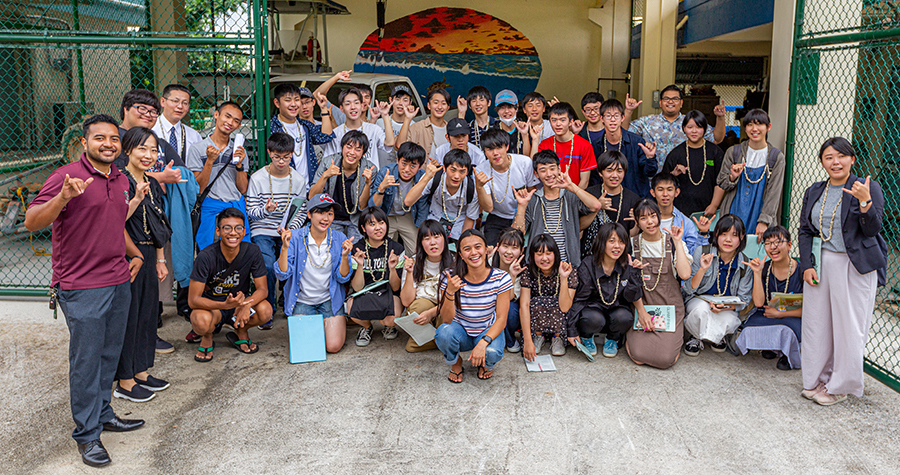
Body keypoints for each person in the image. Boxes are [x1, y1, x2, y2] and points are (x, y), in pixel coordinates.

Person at [25, 114, 146, 467]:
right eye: (99, 139)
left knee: (109, 355)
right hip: (81, 287)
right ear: (84, 143)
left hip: (117, 280)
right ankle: (87, 435)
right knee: (86, 362)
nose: (108, 144)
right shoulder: (67, 177)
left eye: (113, 138)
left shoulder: (121, 178)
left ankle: (104, 414)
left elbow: (112, 221)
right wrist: (62, 198)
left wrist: (133, 255)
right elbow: (33, 221)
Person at [798, 137, 887, 406]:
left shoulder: (867, 188)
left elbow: (873, 230)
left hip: (854, 265)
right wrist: (807, 265)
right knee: (817, 324)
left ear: (852, 159)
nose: (835, 162)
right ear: (822, 162)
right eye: (828, 157)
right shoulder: (815, 190)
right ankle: (816, 379)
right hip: (822, 263)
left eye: (841, 156)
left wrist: (865, 203)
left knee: (848, 327)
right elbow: (805, 229)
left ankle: (840, 386)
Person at [114, 127, 172, 404]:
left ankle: (142, 370)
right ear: (128, 150)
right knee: (129, 316)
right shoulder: (119, 181)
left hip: (150, 255)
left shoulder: (151, 181)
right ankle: (124, 380)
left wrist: (161, 259)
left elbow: (159, 224)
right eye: (142, 149)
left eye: (153, 149)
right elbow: (113, 222)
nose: (148, 155)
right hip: (128, 256)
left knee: (148, 315)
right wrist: (136, 199)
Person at [188, 208, 272, 362]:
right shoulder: (206, 256)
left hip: (239, 304)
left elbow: (263, 289)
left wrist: (247, 304)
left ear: (244, 231)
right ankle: (207, 336)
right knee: (201, 321)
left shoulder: (253, 251)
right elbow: (193, 300)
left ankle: (241, 329)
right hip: (213, 306)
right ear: (218, 231)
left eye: (238, 228)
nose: (233, 233)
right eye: (227, 228)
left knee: (265, 310)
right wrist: (225, 305)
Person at [275, 194, 354, 353]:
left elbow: (343, 277)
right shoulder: (295, 237)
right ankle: (315, 323)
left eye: (330, 213)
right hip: (302, 300)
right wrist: (284, 248)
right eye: (320, 212)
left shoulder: (339, 238)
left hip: (329, 300)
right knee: (306, 350)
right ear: (309, 214)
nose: (326, 218)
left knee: (333, 346)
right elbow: (282, 274)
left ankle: (325, 322)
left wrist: (345, 256)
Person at [246, 132, 307, 325]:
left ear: (292, 154)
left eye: (286, 157)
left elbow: (302, 211)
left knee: (292, 265)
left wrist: (291, 228)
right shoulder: (257, 178)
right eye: (277, 156)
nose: (281, 161)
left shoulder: (297, 179)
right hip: (262, 228)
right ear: (269, 153)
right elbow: (251, 211)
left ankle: (289, 304)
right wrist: (265, 209)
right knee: (268, 265)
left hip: (287, 230)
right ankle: (268, 307)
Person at [436, 229, 513, 382]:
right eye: (467, 249)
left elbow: (502, 319)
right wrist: (450, 292)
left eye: (478, 247)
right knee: (443, 334)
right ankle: (456, 363)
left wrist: (483, 342)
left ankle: (486, 363)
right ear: (460, 255)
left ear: (486, 250)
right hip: (460, 331)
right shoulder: (450, 276)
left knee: (492, 352)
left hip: (486, 329)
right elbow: (446, 319)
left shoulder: (501, 278)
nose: (473, 252)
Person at [625, 202, 693, 368]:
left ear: (659, 217)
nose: (649, 222)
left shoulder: (673, 243)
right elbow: (629, 284)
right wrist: (641, 312)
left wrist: (678, 242)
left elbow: (684, 274)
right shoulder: (632, 244)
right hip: (642, 305)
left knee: (665, 360)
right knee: (638, 356)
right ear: (637, 221)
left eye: (653, 216)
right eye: (643, 218)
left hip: (670, 308)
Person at [513, 150, 604, 268]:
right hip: (538, 265)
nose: (549, 174)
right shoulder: (533, 199)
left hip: (567, 264)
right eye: (543, 170)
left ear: (559, 169)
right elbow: (516, 233)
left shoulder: (570, 196)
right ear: (536, 174)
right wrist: (521, 205)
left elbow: (596, 206)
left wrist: (571, 186)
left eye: (552, 168)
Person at [568, 223, 645, 358]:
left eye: (621, 242)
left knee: (625, 317)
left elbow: (630, 296)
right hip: (593, 310)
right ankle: (587, 337)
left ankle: (612, 339)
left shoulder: (629, 263)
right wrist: (572, 330)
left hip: (617, 309)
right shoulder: (588, 264)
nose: (617, 246)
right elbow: (579, 300)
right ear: (602, 242)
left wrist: (633, 273)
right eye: (611, 241)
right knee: (593, 319)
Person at [683, 214, 753, 356]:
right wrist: (703, 269)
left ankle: (713, 336)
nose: (728, 240)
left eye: (734, 235)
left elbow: (744, 300)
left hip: (726, 305)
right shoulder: (702, 252)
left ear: (741, 237)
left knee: (730, 319)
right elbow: (689, 288)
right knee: (700, 311)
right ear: (716, 234)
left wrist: (726, 306)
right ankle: (697, 337)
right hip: (699, 300)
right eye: (724, 234)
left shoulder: (745, 263)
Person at [736, 225, 803, 371]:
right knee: (748, 329)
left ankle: (787, 354)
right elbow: (759, 303)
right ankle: (771, 346)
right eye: (767, 243)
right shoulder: (764, 268)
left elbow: (811, 309)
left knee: (788, 331)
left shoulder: (802, 271)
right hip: (767, 313)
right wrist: (757, 273)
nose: (773, 247)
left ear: (789, 245)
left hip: (794, 316)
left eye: (778, 242)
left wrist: (781, 314)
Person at [186, 101, 250, 250]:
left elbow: (242, 188)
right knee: (208, 254)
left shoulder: (239, 151)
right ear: (216, 115)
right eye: (227, 116)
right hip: (210, 207)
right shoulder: (198, 149)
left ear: (239, 126)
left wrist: (239, 166)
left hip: (235, 206)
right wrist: (209, 161)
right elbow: (198, 188)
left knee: (239, 253)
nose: (230, 123)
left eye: (236, 121)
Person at [716, 109, 785, 235]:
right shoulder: (734, 152)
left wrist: (764, 221)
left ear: (768, 127)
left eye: (759, 124)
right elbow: (721, 182)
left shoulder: (776, 157)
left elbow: (774, 192)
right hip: (733, 211)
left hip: (759, 214)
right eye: (750, 125)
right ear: (745, 128)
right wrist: (733, 177)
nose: (754, 129)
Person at [622, 85, 725, 168]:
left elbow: (716, 139)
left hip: (684, 180)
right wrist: (628, 111)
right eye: (666, 99)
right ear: (660, 103)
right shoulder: (647, 122)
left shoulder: (690, 122)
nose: (670, 102)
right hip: (653, 180)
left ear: (681, 103)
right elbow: (624, 133)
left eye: (675, 99)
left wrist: (720, 117)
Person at [347, 207, 405, 346]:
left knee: (390, 319)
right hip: (364, 292)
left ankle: (388, 326)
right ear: (363, 228)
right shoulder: (357, 249)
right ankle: (367, 327)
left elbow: (396, 287)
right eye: (372, 224)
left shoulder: (396, 249)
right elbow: (357, 287)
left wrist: (392, 269)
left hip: (388, 292)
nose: (378, 228)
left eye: (381, 223)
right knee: (350, 309)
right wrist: (360, 265)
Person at [403, 149, 487, 242]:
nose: (457, 176)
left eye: (462, 171)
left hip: (459, 228)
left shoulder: (472, 188)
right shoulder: (434, 177)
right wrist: (427, 177)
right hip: (434, 224)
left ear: (467, 172)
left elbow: (469, 219)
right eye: (453, 170)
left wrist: (462, 243)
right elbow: (408, 201)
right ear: (444, 168)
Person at [310, 130, 378, 241]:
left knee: (356, 251)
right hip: (331, 217)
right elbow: (312, 197)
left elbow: (362, 206)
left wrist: (367, 183)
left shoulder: (369, 169)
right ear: (342, 148)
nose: (352, 152)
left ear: (363, 153)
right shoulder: (328, 162)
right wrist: (325, 176)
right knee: (332, 248)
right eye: (349, 147)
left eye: (358, 149)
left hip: (356, 219)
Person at [477, 128, 540, 246]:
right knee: (491, 250)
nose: (495, 153)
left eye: (499, 147)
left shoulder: (524, 162)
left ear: (506, 147)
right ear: (484, 151)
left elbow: (533, 191)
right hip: (497, 216)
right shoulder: (481, 170)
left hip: (524, 213)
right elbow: (488, 208)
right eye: (490, 149)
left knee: (521, 248)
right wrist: (479, 186)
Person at [400, 220, 455, 352]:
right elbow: (406, 301)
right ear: (420, 243)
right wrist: (409, 273)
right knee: (417, 307)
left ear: (444, 239)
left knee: (450, 307)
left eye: (437, 237)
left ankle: (432, 340)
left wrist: (431, 313)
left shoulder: (454, 261)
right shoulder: (412, 262)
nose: (432, 242)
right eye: (426, 238)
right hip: (424, 306)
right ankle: (442, 341)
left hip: (446, 307)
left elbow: (459, 299)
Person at [519, 234, 577, 358]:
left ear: (555, 254)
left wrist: (563, 278)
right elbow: (524, 305)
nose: (544, 258)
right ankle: (537, 336)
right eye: (539, 254)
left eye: (549, 253)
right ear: (533, 255)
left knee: (557, 301)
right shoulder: (528, 272)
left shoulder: (568, 270)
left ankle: (558, 338)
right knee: (535, 302)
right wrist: (528, 341)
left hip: (560, 322)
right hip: (536, 324)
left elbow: (565, 306)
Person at [269, 83, 335, 189]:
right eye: (288, 100)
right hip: (285, 188)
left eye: (296, 99)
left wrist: (323, 109)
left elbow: (326, 136)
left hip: (309, 187)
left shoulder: (304, 125)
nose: (294, 104)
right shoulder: (272, 128)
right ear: (277, 103)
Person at [661, 110, 725, 217]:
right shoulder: (675, 154)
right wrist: (673, 174)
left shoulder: (715, 152)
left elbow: (721, 181)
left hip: (708, 210)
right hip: (680, 211)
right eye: (690, 127)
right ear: (684, 129)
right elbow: (663, 183)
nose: (694, 131)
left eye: (699, 127)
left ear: (704, 129)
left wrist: (714, 205)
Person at [370, 141, 429, 255]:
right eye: (404, 163)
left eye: (413, 166)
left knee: (416, 251)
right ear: (397, 160)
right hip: (386, 216)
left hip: (407, 215)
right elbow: (372, 206)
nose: (407, 169)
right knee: (382, 251)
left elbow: (422, 206)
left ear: (420, 167)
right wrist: (381, 188)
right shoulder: (385, 172)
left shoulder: (422, 177)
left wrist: (419, 233)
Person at [593, 99, 657, 198]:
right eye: (608, 116)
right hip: (607, 197)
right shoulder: (597, 144)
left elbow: (650, 172)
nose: (612, 120)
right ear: (601, 119)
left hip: (636, 197)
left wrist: (650, 157)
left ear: (623, 117)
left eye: (616, 116)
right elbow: (595, 176)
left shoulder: (636, 141)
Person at [581, 151, 640, 259]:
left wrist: (636, 223)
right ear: (600, 172)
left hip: (620, 257)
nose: (614, 175)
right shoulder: (589, 194)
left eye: (619, 171)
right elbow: (579, 226)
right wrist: (597, 207)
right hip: (591, 256)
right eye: (609, 171)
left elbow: (632, 234)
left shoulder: (633, 198)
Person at [115, 89, 183, 177]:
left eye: (153, 112)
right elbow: (117, 175)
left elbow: (181, 171)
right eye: (142, 109)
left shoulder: (160, 143)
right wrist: (161, 177)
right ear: (126, 109)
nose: (148, 114)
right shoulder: (113, 138)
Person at [322, 87, 395, 168]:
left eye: (356, 103)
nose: (353, 107)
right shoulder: (336, 133)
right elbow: (328, 162)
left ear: (361, 105)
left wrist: (385, 115)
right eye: (348, 104)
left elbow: (390, 143)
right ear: (341, 108)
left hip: (371, 178)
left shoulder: (374, 129)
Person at [535, 102, 596, 189]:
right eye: (554, 120)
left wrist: (573, 199)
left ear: (571, 122)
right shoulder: (544, 145)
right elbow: (536, 170)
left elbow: (584, 181)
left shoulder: (585, 145)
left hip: (574, 197)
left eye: (562, 120)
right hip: (551, 195)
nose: (558, 124)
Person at [647, 172, 705, 255]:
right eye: (660, 189)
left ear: (677, 192)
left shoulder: (685, 222)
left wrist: (703, 233)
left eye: (669, 189)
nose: (665, 194)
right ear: (653, 192)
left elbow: (693, 254)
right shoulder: (645, 220)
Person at [489, 228, 526, 352]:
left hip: (506, 305)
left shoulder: (521, 271)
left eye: (515, 248)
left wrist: (512, 275)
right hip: (487, 303)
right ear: (498, 246)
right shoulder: (487, 262)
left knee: (510, 310)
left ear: (522, 251)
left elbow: (509, 298)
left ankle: (508, 339)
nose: (509, 252)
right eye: (505, 246)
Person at [153, 84, 203, 163]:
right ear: (163, 102)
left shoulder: (194, 136)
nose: (180, 106)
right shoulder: (151, 129)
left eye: (185, 103)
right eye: (175, 101)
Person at [378, 84, 420, 164]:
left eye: (405, 100)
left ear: (410, 102)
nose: (401, 103)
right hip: (381, 171)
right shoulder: (380, 122)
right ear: (390, 100)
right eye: (397, 99)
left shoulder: (414, 126)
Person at [408, 87, 451, 156]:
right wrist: (407, 119)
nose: (439, 107)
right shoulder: (417, 128)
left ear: (448, 107)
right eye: (436, 103)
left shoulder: (450, 129)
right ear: (429, 105)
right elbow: (400, 147)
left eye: (443, 103)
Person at [491, 89, 531, 156]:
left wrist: (524, 134)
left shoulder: (525, 128)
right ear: (497, 110)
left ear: (517, 108)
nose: (506, 111)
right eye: (502, 108)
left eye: (510, 107)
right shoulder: (493, 132)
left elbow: (527, 158)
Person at [576, 91, 605, 161]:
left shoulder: (611, 129)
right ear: (583, 112)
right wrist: (575, 134)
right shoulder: (580, 132)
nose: (592, 113)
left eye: (596, 109)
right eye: (588, 110)